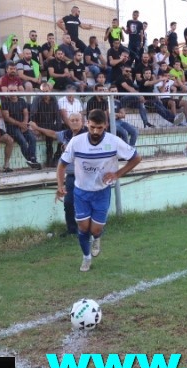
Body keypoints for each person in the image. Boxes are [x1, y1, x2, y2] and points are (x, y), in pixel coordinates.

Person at [57, 109, 141, 272]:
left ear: (106, 126)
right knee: (82, 228)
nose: (95, 131)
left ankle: (97, 238)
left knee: (95, 229)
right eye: (92, 127)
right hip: (81, 192)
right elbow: (62, 164)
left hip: (102, 192)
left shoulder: (114, 141)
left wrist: (117, 174)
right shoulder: (76, 141)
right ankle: (86, 258)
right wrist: (60, 185)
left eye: (100, 128)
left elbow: (136, 158)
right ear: (87, 123)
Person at [30, 112, 87, 237]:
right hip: (71, 176)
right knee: (68, 203)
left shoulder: (87, 134)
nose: (75, 122)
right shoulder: (66, 134)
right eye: (72, 120)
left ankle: (92, 229)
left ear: (82, 122)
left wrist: (70, 148)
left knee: (87, 202)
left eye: (77, 120)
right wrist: (37, 128)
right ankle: (72, 230)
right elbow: (53, 134)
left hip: (86, 176)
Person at [0, 84, 42, 170]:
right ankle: (31, 160)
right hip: (11, 128)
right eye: (11, 91)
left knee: (32, 138)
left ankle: (33, 159)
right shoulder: (4, 103)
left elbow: (26, 113)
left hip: (23, 125)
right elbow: (7, 118)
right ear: (8, 92)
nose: (13, 93)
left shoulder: (22, 101)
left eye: (15, 91)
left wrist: (25, 123)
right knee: (22, 141)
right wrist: (20, 124)